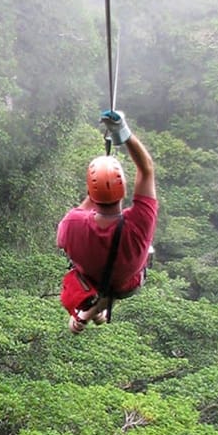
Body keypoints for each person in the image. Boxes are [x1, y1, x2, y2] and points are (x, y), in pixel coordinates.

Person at [56, 110, 158, 334]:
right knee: (124, 274)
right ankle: (93, 311)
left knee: (95, 279)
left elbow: (77, 216)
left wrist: (96, 189)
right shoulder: (139, 223)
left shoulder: (73, 223)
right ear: (123, 189)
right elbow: (147, 169)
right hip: (127, 285)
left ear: (90, 192)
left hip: (90, 280)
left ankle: (90, 312)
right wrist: (123, 132)